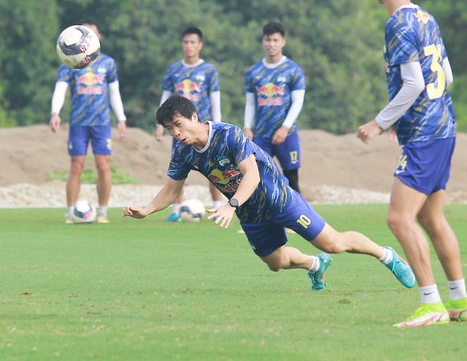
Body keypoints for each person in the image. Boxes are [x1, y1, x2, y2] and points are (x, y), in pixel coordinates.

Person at [124, 94, 416, 293]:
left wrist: (231, 204)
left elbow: (251, 174)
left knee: (334, 243)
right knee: (276, 264)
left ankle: (386, 255)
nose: (176, 132)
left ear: (194, 116)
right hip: (252, 214)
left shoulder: (228, 134)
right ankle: (314, 264)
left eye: (178, 124)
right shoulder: (183, 151)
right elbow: (172, 189)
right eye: (169, 128)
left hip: (279, 199)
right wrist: (147, 209)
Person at [357, 0, 467, 328]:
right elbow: (447, 76)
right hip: (444, 128)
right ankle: (460, 302)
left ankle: (431, 304)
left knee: (398, 218)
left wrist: (380, 121)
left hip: (425, 136)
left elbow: (412, 83)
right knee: (431, 217)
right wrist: (400, 118)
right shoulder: (426, 17)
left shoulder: (397, 24)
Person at [50, 19, 127, 224]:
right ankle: (69, 212)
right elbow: (60, 88)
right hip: (78, 122)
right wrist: (55, 113)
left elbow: (114, 93)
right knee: (77, 165)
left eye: (92, 33)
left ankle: (102, 211)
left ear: (98, 37)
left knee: (103, 165)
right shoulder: (70, 62)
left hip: (101, 122)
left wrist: (121, 118)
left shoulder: (108, 63)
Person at [155, 26, 225, 221]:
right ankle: (176, 211)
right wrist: (159, 125)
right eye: (186, 42)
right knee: (178, 168)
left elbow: (215, 99)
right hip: (179, 128)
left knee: (215, 168)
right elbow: (166, 97)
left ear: (200, 45)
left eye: (193, 42)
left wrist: (217, 125)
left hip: (203, 129)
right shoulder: (174, 69)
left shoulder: (209, 70)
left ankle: (218, 206)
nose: (189, 46)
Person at [244, 22, 305, 193]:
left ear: (283, 42)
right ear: (263, 41)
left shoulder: (293, 70)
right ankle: (266, 218)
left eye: (275, 40)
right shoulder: (254, 72)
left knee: (292, 178)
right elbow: (250, 102)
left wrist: (285, 128)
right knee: (260, 179)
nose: (271, 44)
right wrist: (248, 127)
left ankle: (299, 218)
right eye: (268, 39)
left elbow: (298, 102)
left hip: (287, 134)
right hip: (261, 135)